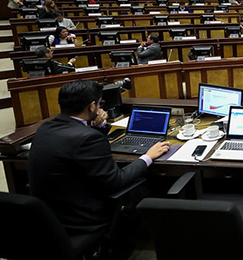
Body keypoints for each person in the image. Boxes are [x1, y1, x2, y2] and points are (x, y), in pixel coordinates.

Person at [28, 80, 170, 236]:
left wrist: (98, 127)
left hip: (51, 215)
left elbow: (83, 151)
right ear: (91, 106)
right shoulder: (88, 138)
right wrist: (147, 157)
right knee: (148, 185)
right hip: (84, 218)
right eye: (99, 103)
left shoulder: (45, 129)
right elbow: (117, 181)